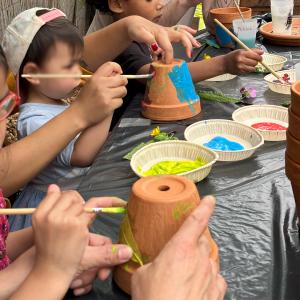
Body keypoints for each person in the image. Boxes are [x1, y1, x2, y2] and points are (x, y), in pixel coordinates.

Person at [2, 7, 198, 231]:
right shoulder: (32, 118)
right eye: (69, 66)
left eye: (79, 62)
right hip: (51, 213)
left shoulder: (56, 101)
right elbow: (84, 154)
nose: (79, 72)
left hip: (76, 196)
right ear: (34, 74)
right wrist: (105, 107)